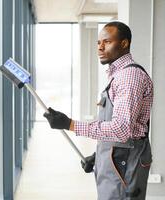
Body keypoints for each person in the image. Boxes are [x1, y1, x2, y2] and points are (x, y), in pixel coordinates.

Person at [43, 21, 153, 200]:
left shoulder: (129, 76)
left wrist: (70, 124)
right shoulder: (118, 74)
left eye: (107, 42)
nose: (100, 48)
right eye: (98, 43)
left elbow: (121, 129)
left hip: (125, 160)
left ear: (124, 43)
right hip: (116, 157)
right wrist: (98, 156)